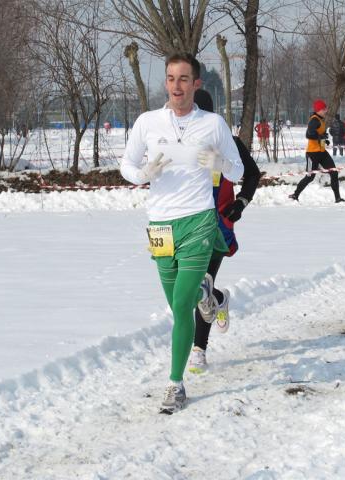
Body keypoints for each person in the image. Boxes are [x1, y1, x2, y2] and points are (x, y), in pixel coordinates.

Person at [120, 53, 244, 414]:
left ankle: (175, 384)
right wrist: (144, 173)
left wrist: (219, 164)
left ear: (196, 84)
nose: (177, 86)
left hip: (199, 221)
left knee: (182, 304)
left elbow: (237, 169)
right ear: (167, 84)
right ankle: (212, 299)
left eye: (184, 79)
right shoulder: (147, 122)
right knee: (178, 307)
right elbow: (126, 166)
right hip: (160, 225)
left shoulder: (213, 124)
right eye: (172, 79)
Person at [188, 89, 261, 374]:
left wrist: (240, 203)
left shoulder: (227, 143)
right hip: (187, 223)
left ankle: (198, 350)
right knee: (191, 285)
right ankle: (219, 299)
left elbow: (252, 174)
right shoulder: (179, 145)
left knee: (203, 279)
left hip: (218, 223)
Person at [289, 99, 345, 203]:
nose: (326, 110)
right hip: (312, 154)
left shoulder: (321, 120)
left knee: (334, 172)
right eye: (324, 109)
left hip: (322, 152)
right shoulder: (314, 120)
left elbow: (319, 135)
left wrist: (325, 140)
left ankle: (337, 198)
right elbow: (309, 135)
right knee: (310, 177)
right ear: (319, 110)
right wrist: (321, 136)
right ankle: (295, 195)